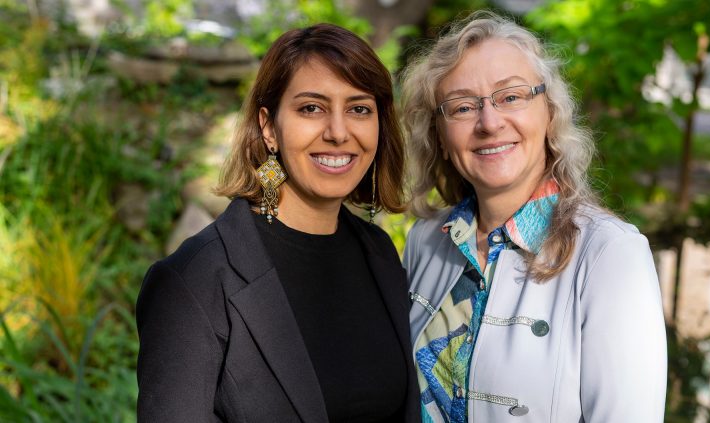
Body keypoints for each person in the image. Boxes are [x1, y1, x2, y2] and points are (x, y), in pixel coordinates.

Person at [136, 23, 419, 422]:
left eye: (359, 109)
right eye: (311, 108)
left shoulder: (378, 252)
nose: (339, 132)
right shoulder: (194, 280)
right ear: (269, 128)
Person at [400, 11, 667, 422]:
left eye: (511, 97)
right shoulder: (426, 241)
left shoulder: (610, 255)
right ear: (438, 132)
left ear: (550, 112)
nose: (489, 123)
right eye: (462, 107)